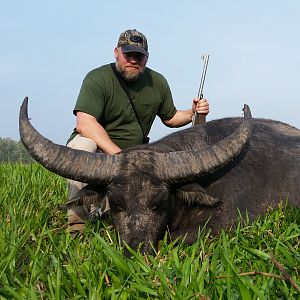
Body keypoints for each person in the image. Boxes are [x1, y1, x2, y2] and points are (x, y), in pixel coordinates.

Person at [66, 29, 210, 232]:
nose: (133, 60)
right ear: (116, 52)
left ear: (146, 58)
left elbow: (170, 118)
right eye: (128, 54)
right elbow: (85, 123)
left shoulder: (157, 82)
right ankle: (77, 224)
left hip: (137, 159)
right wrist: (119, 156)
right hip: (104, 154)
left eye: (139, 56)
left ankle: (111, 212)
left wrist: (192, 112)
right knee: (82, 145)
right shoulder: (97, 78)